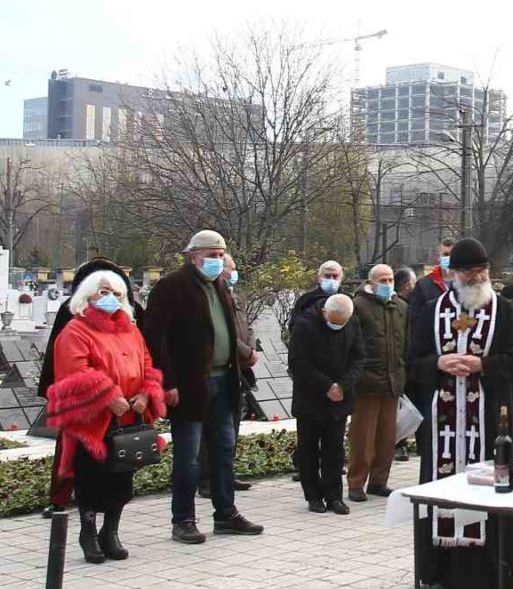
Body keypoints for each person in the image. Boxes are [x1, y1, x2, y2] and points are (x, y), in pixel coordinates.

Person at [404, 237, 513, 589]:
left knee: (489, 485)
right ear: (453, 274)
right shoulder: (432, 311)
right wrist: (439, 363)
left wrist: (483, 364)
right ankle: (440, 571)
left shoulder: (504, 310)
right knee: (441, 488)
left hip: (488, 419)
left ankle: (494, 571)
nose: (476, 278)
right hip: (443, 422)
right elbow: (412, 364)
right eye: (468, 272)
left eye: (481, 271)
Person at [141, 230, 262, 545]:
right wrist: (167, 382)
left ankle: (226, 513)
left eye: (220, 255)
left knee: (224, 450)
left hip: (224, 379)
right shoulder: (171, 288)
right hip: (191, 383)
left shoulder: (219, 285)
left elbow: (223, 331)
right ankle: (183, 520)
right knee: (189, 456)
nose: (217, 261)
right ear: (193, 256)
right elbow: (155, 339)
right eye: (211, 255)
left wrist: (244, 354)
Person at [44, 267, 166, 564]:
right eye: (104, 292)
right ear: (89, 296)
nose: (111, 299)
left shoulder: (131, 329)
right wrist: (109, 396)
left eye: (117, 294)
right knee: (91, 477)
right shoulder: (76, 329)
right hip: (93, 420)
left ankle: (110, 531)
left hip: (128, 418)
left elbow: (147, 362)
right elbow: (75, 370)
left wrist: (146, 392)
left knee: (122, 477)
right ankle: (88, 531)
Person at [288, 292, 366, 514]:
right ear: (324, 313)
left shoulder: (352, 322)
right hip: (310, 396)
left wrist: (342, 385)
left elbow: (359, 357)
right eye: (333, 322)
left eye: (341, 323)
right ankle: (313, 495)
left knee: (335, 449)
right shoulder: (305, 324)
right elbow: (298, 362)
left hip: (340, 396)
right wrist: (327, 386)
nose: (337, 326)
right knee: (309, 449)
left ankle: (334, 496)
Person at [345, 264, 407, 502]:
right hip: (366, 382)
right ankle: (356, 483)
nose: (387, 283)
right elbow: (351, 345)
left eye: (390, 279)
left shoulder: (400, 306)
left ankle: (379, 480)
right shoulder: (358, 306)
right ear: (371, 283)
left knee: (387, 437)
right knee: (363, 437)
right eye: (383, 280)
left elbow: (406, 344)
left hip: (392, 382)